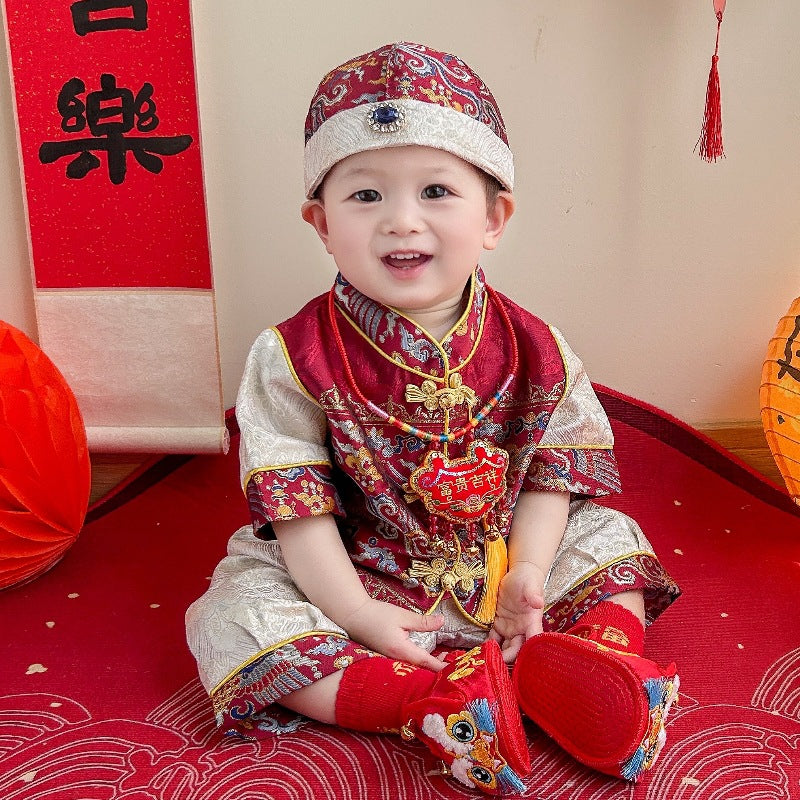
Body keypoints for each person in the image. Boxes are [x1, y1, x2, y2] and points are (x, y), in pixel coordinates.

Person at [186, 42, 681, 794]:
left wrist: (533, 574)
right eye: (366, 197)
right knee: (231, 610)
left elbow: (553, 474)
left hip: (507, 559)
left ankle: (595, 670)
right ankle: (430, 705)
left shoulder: (535, 344)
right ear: (320, 222)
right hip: (359, 567)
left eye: (436, 192)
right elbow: (298, 511)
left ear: (495, 216)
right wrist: (354, 612)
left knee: (610, 539)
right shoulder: (290, 355)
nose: (401, 222)